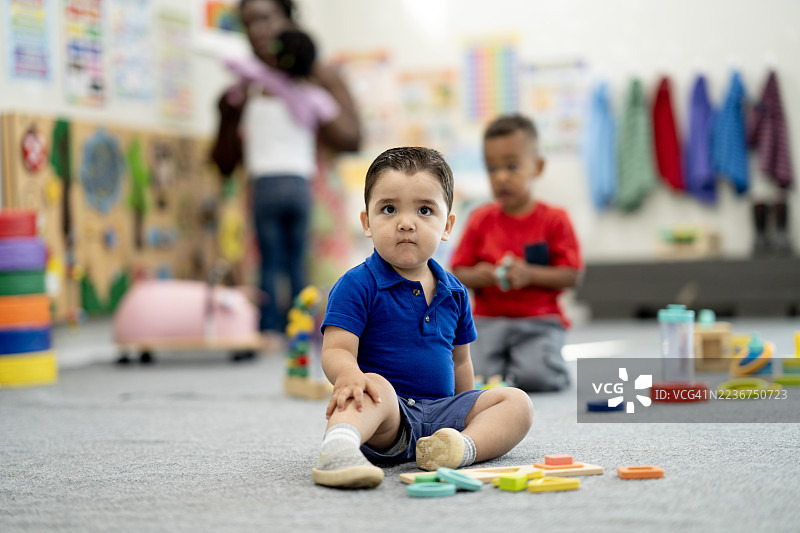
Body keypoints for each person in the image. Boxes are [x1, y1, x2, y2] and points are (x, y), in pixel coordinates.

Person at [312, 147, 534, 489]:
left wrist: (467, 407)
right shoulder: (356, 284)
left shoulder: (455, 291)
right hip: (389, 416)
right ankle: (338, 447)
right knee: (375, 387)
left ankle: (459, 449)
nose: (405, 222)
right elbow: (336, 350)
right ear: (366, 222)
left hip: (444, 414)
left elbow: (460, 361)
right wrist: (350, 376)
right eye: (389, 209)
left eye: (424, 210)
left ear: (446, 226)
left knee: (516, 402)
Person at [211, 0, 361, 347]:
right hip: (263, 191)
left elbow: (352, 138)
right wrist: (228, 115)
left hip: (316, 199)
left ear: (289, 20)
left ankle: (309, 333)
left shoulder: (317, 74)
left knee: (312, 279)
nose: (258, 30)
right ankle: (272, 330)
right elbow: (224, 164)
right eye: (249, 23)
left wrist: (304, 90)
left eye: (266, 18)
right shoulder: (244, 86)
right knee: (270, 268)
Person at [450, 114, 582, 392]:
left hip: (539, 321)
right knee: (473, 380)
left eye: (511, 166)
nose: (501, 177)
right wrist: (480, 275)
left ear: (538, 167)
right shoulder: (479, 219)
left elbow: (572, 275)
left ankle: (533, 365)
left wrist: (530, 274)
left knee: (538, 378)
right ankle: (511, 368)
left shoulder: (555, 219)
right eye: (491, 168)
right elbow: (458, 272)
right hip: (487, 322)